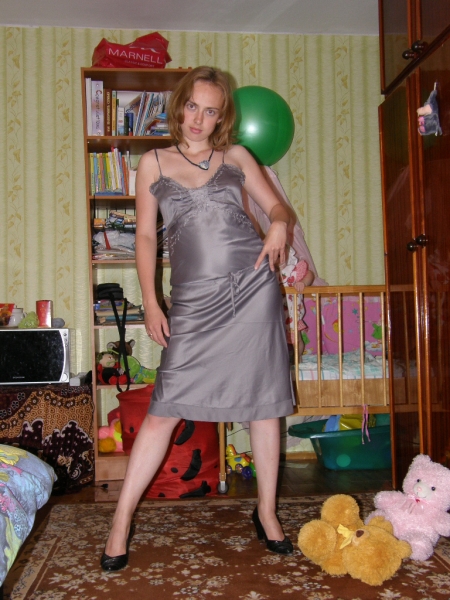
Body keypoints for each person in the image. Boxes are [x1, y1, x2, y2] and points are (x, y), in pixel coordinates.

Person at [101, 66, 296, 572]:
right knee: (164, 409)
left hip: (252, 290)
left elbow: (278, 209)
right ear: (179, 105)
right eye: (192, 106)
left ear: (221, 116)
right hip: (193, 299)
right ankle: (121, 520)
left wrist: (279, 225)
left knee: (264, 405)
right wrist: (151, 301)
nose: (198, 119)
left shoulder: (237, 156)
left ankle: (267, 512)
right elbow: (146, 236)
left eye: (210, 111)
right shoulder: (153, 162)